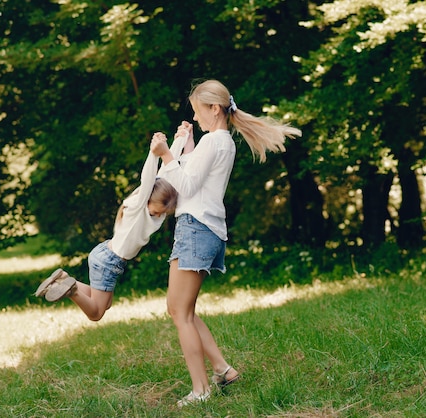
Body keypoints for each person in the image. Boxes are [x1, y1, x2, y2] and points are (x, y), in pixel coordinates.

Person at [150, 79, 302, 406]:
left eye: (197, 112)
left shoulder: (215, 142)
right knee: (184, 310)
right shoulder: (220, 142)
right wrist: (187, 144)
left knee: (179, 311)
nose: (197, 118)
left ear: (214, 108)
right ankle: (222, 369)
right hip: (206, 229)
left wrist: (165, 155)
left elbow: (186, 187)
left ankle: (201, 390)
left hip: (195, 228)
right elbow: (196, 175)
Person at [35, 134, 192, 321]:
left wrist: (181, 138)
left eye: (162, 214)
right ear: (147, 198)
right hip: (108, 260)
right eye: (157, 211)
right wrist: (153, 153)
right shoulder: (138, 207)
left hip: (107, 255)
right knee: (96, 313)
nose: (159, 216)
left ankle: (64, 280)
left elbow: (166, 173)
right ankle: (71, 291)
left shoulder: (155, 200)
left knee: (104, 303)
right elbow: (149, 179)